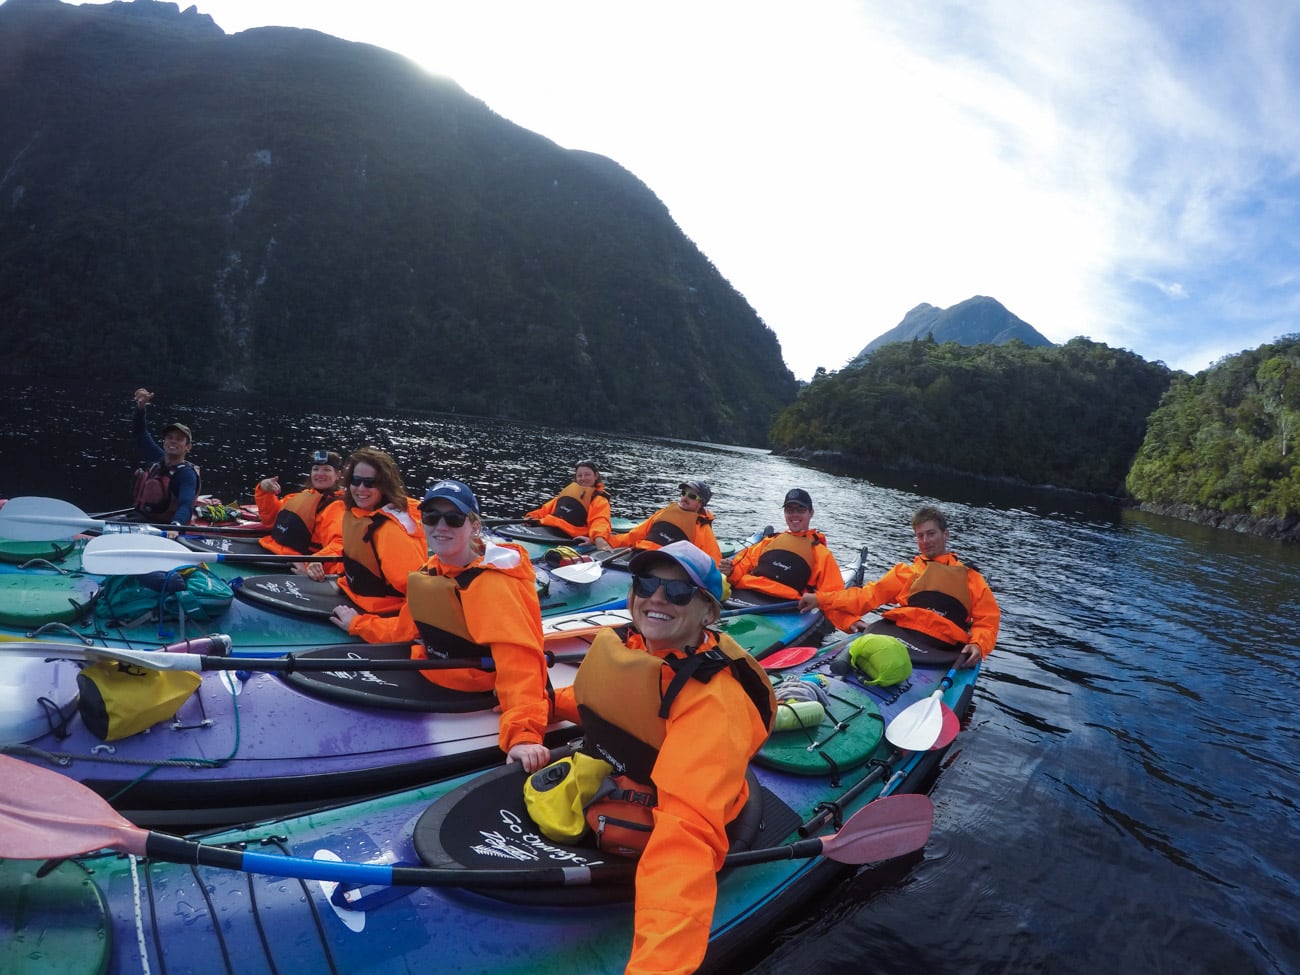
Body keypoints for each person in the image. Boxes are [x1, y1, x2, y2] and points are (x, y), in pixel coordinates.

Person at [551, 541, 775, 973]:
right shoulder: (634, 649)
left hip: (662, 821)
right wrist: (532, 708)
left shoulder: (713, 703)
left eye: (677, 592)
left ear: (708, 612)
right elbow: (599, 701)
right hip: (609, 790)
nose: (656, 597)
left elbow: (684, 842)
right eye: (646, 583)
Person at [330, 479, 552, 772]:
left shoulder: (493, 586)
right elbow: (404, 630)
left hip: (474, 690)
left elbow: (519, 666)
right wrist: (358, 624)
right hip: (434, 672)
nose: (441, 527)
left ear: (473, 526)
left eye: (454, 518)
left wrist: (523, 735)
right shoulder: (431, 571)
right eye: (432, 517)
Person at [799, 505, 999, 668]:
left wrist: (978, 644)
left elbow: (987, 621)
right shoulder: (906, 573)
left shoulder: (971, 579)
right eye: (920, 536)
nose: (925, 541)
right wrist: (820, 599)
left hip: (942, 647)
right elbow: (865, 597)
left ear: (945, 534)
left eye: (931, 534)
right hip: (899, 636)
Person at [315, 448, 427, 625]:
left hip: (385, 611)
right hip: (355, 594)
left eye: (370, 483)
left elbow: (419, 601)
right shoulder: (357, 515)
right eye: (355, 480)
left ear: (384, 485)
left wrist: (361, 625)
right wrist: (319, 562)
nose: (361, 488)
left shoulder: (391, 532)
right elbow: (358, 558)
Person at [720, 488, 845, 601]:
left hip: (787, 604)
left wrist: (850, 621)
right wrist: (730, 571)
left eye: (800, 510)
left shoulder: (820, 552)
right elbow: (739, 569)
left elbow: (833, 595)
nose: (794, 514)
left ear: (811, 513)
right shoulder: (769, 541)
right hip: (747, 594)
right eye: (789, 510)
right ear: (785, 513)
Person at [595, 479, 722, 565]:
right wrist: (603, 540)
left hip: (664, 566)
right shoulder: (664, 513)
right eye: (684, 493)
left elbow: (712, 562)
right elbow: (633, 536)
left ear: (701, 503)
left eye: (692, 496)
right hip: (640, 556)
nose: (685, 497)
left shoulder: (702, 528)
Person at [129, 387, 199, 524]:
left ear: (188, 447)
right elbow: (140, 433)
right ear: (164, 442)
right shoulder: (158, 458)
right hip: (140, 519)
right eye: (169, 437)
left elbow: (186, 505)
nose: (173, 441)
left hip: (163, 528)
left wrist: (176, 525)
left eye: (179, 439)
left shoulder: (186, 474)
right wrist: (141, 407)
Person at [522, 459, 612, 545]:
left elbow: (600, 521)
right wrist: (532, 516)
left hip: (570, 536)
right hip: (548, 528)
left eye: (587, 474)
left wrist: (598, 539)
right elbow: (545, 510)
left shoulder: (599, 500)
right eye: (579, 475)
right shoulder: (571, 493)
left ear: (596, 476)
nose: (583, 478)